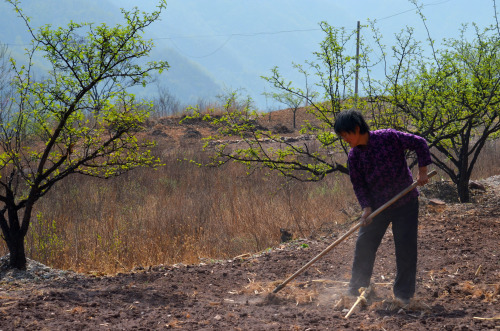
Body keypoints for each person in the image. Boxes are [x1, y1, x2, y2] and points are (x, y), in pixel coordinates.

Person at [333, 109, 432, 304]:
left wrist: (422, 172)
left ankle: (403, 296)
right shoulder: (354, 156)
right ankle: (357, 291)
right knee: (364, 245)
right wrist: (366, 207)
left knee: (405, 248)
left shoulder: (388, 137)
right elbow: (359, 185)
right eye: (341, 136)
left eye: (345, 134)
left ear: (356, 128)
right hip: (378, 208)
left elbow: (420, 142)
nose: (344, 139)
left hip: (405, 203)